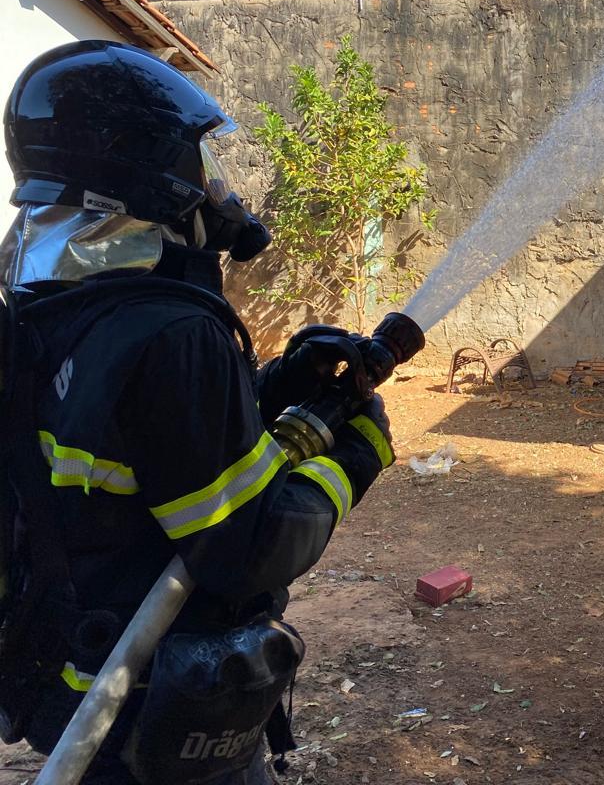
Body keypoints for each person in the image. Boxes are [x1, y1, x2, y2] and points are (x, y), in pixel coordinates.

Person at [0, 40, 397, 784]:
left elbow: (146, 450)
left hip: (66, 681)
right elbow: (246, 551)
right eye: (199, 163)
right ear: (148, 172)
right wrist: (359, 452)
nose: (216, 186)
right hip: (153, 707)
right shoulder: (174, 333)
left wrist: (275, 385)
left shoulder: (46, 306)